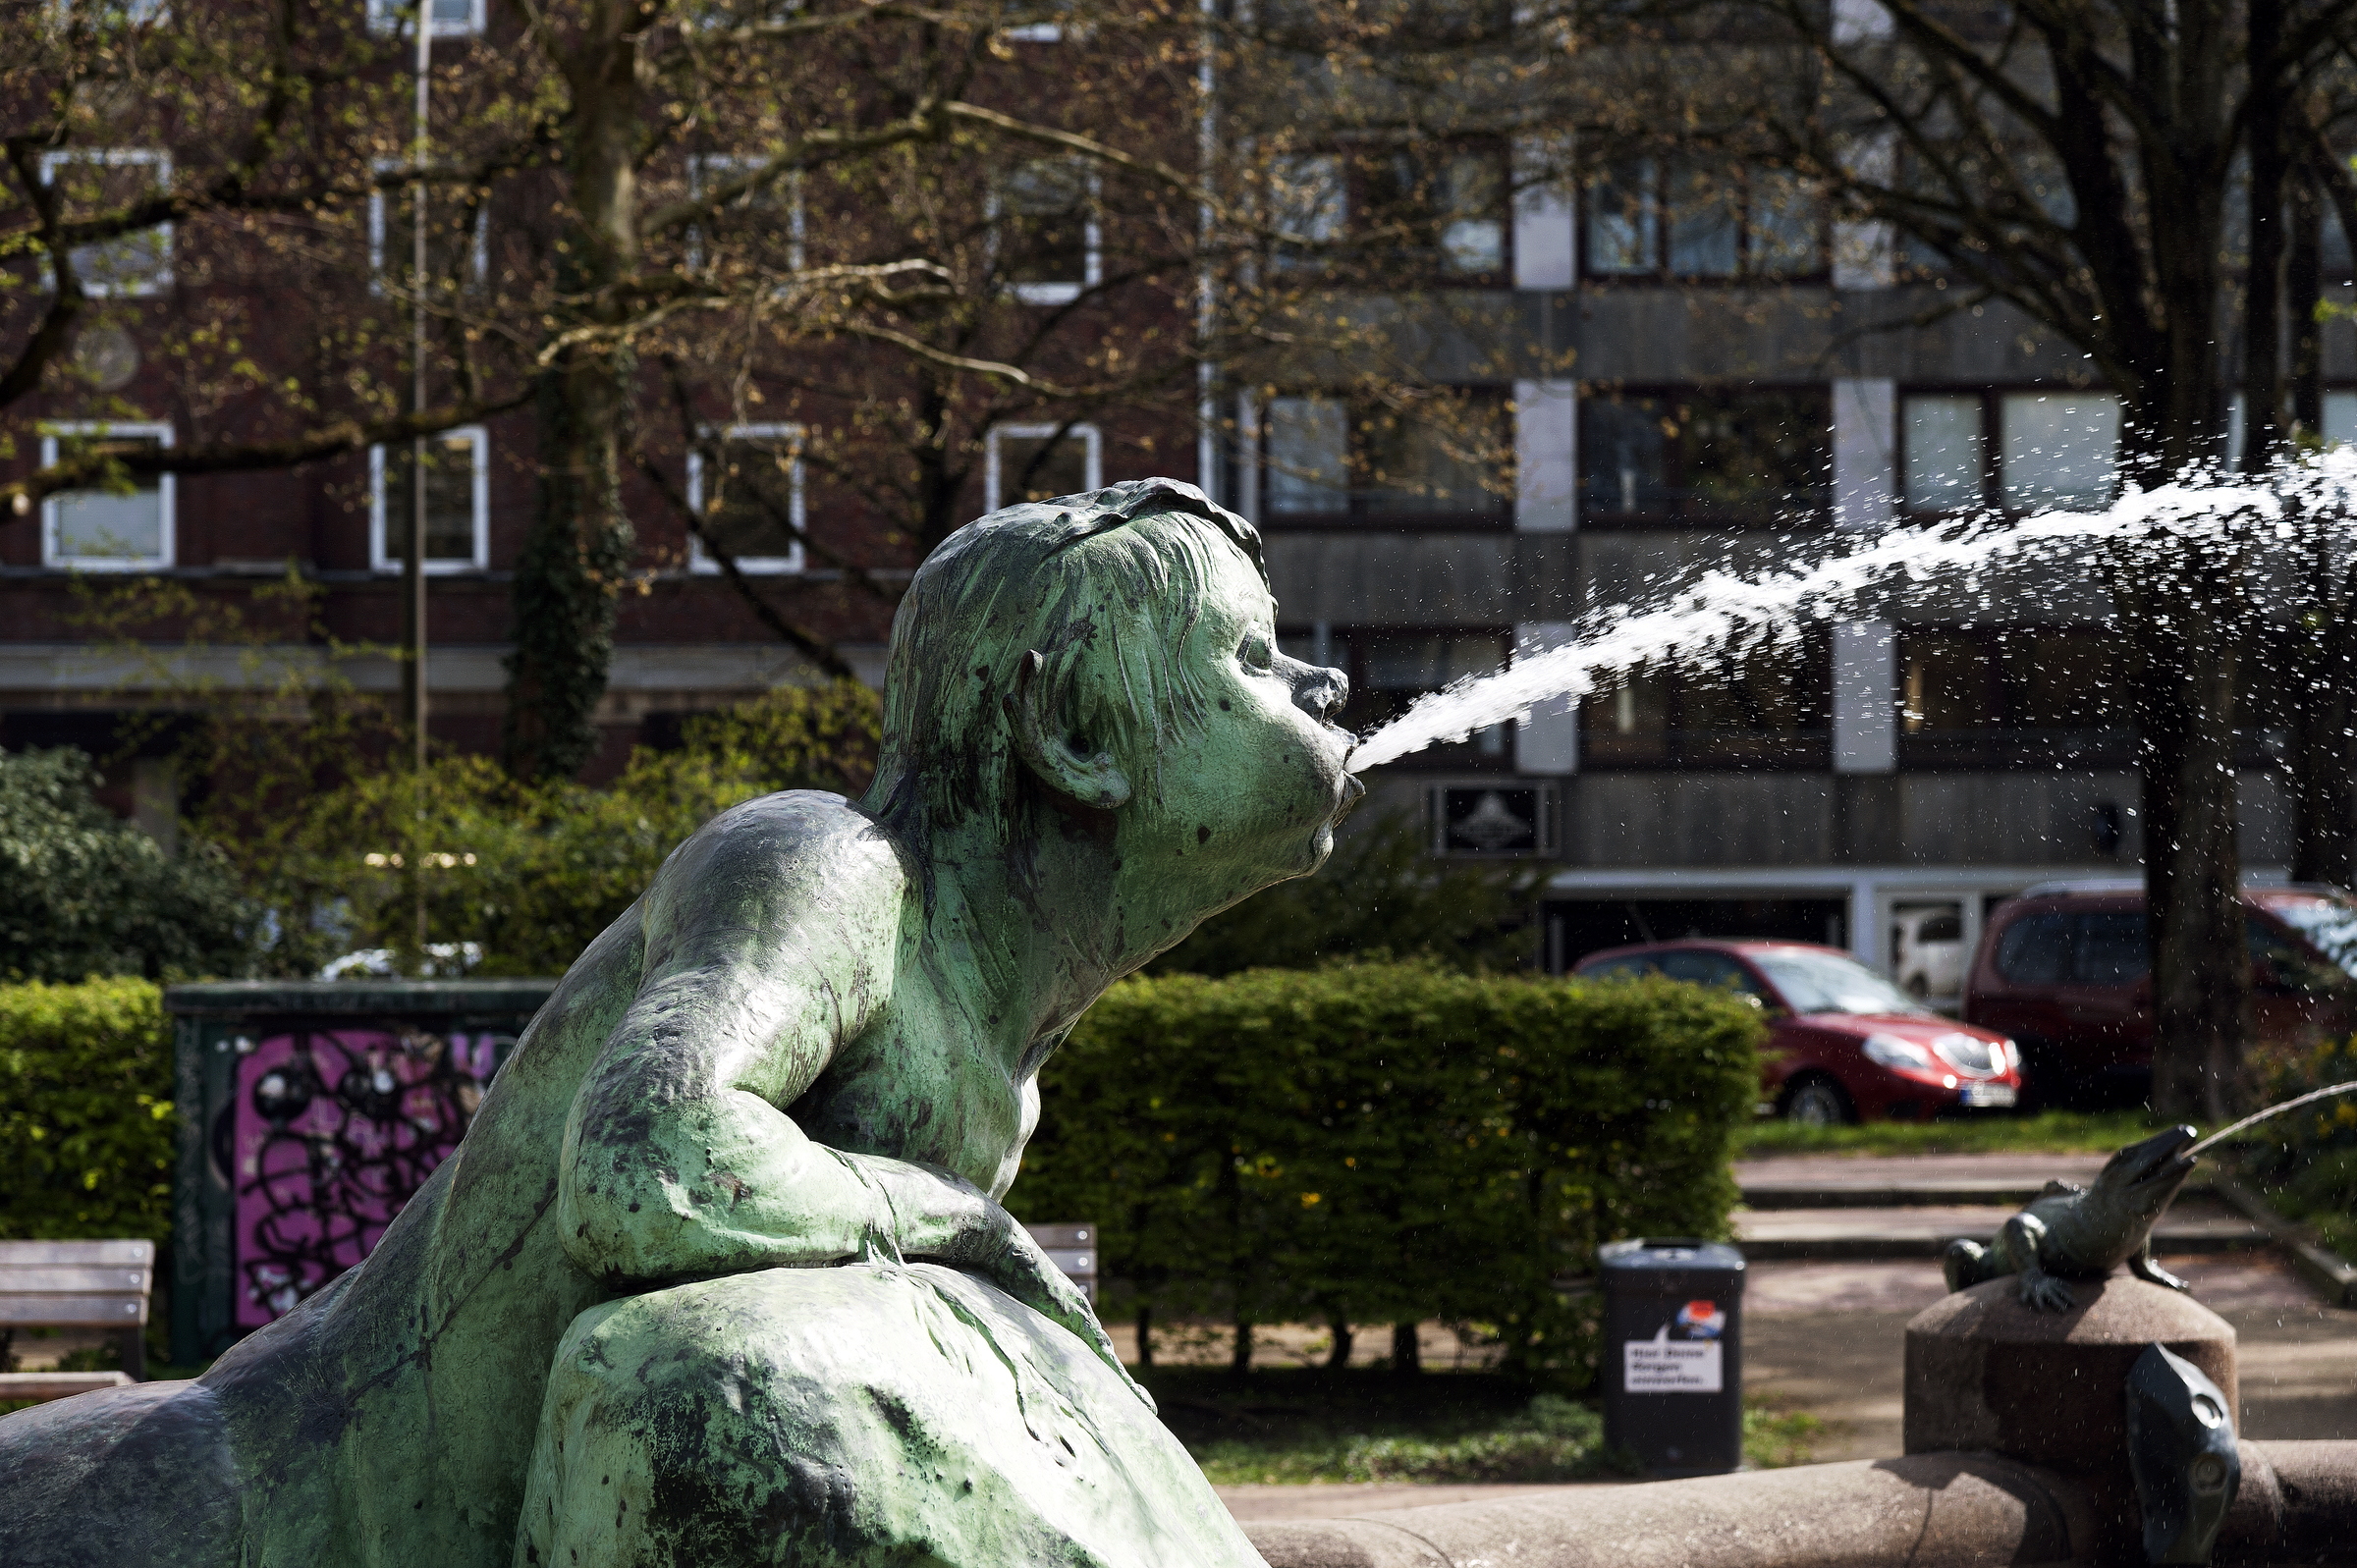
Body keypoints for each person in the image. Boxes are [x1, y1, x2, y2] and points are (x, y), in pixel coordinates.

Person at [0, 478, 1359, 1568]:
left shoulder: (997, 1019)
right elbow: (646, 1158)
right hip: (222, 1511)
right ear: (1072, 727)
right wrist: (957, 1219)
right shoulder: (832, 866)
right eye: (1252, 657)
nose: (1322, 688)